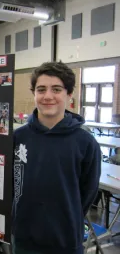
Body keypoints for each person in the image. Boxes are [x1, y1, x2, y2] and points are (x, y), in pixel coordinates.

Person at [12, 61, 101, 254]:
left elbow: (88, 193)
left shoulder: (85, 142)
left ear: (69, 95)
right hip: (24, 238)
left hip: (65, 239)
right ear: (34, 94)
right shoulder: (18, 138)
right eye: (41, 89)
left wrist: (66, 215)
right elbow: (12, 186)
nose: (48, 96)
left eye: (57, 89)